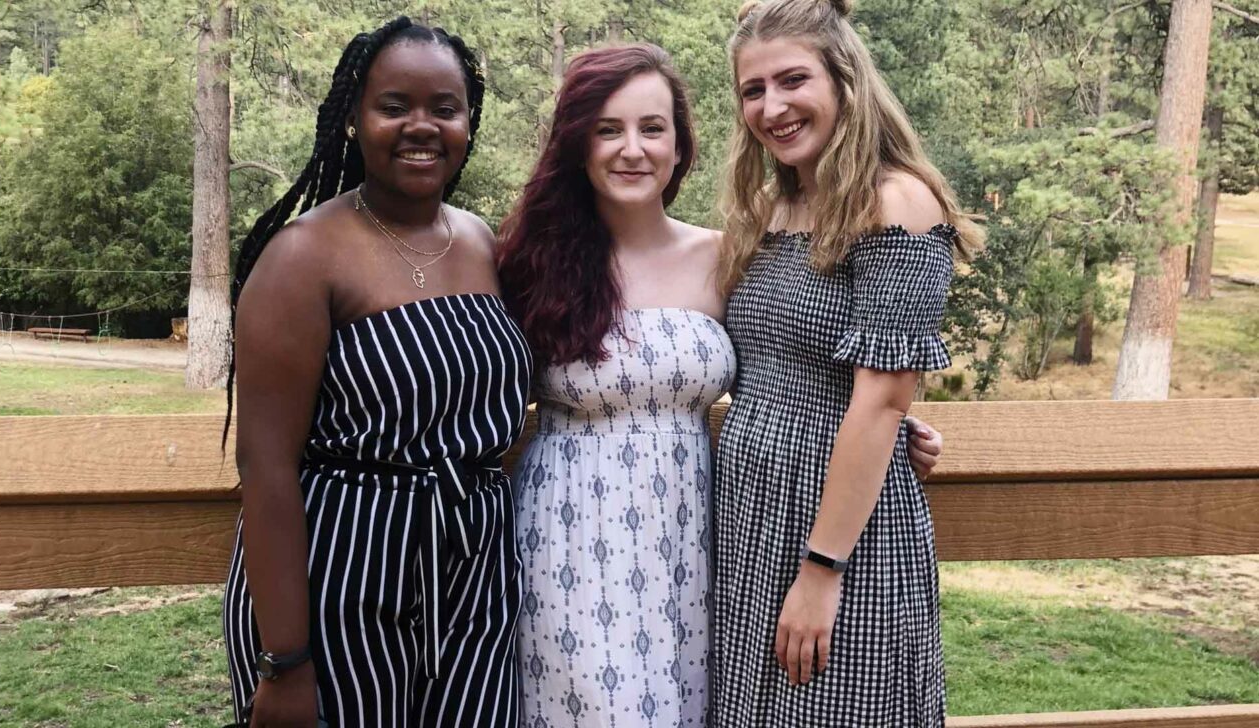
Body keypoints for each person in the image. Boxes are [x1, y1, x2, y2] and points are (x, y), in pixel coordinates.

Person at [498, 43, 946, 727]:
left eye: (653, 128)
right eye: (606, 129)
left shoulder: (727, 253)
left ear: (681, 146)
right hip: (573, 537)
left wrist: (895, 427)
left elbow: (797, 356)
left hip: (702, 540)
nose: (632, 149)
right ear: (576, 146)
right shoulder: (531, 262)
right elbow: (474, 386)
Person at [221, 18, 530, 728]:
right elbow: (265, 466)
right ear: (355, 119)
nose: (421, 126)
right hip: (340, 579)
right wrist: (285, 660)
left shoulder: (483, 241)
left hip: (474, 575)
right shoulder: (303, 257)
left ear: (468, 122)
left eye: (444, 108)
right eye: (395, 106)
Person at [710, 0, 984, 726]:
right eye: (754, 89)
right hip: (750, 519)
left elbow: (878, 401)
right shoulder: (766, 209)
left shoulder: (896, 203)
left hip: (840, 538)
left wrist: (821, 573)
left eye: (793, 80)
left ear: (845, 82)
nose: (773, 106)